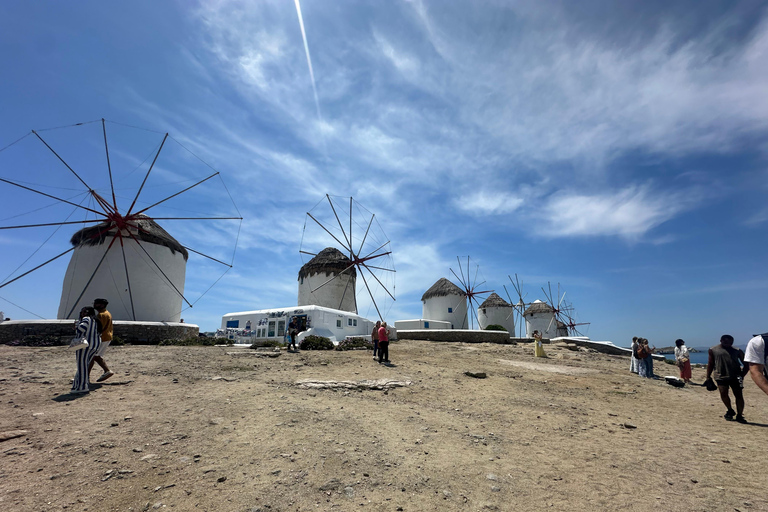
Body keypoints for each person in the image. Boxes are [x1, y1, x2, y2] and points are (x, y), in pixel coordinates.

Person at [706, 334, 747, 423]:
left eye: (730, 343)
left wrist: (742, 375)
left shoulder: (737, 350)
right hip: (720, 376)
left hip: (735, 376)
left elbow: (746, 364)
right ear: (721, 341)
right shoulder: (713, 350)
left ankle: (740, 415)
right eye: (726, 342)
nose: (728, 344)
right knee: (723, 394)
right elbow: (711, 363)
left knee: (739, 396)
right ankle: (729, 410)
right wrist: (708, 376)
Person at [71, 306, 102, 394]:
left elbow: (81, 328)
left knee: (81, 366)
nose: (82, 313)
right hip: (95, 345)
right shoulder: (96, 321)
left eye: (83, 312)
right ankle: (76, 386)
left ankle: (82, 387)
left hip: (84, 345)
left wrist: (77, 325)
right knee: (85, 365)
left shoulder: (86, 319)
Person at [89, 298, 114, 383]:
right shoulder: (107, 313)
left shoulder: (101, 315)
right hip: (107, 337)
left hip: (102, 338)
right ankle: (107, 371)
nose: (94, 305)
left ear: (102, 305)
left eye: (96, 303)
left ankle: (85, 377)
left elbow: (99, 328)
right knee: (96, 356)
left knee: (92, 357)